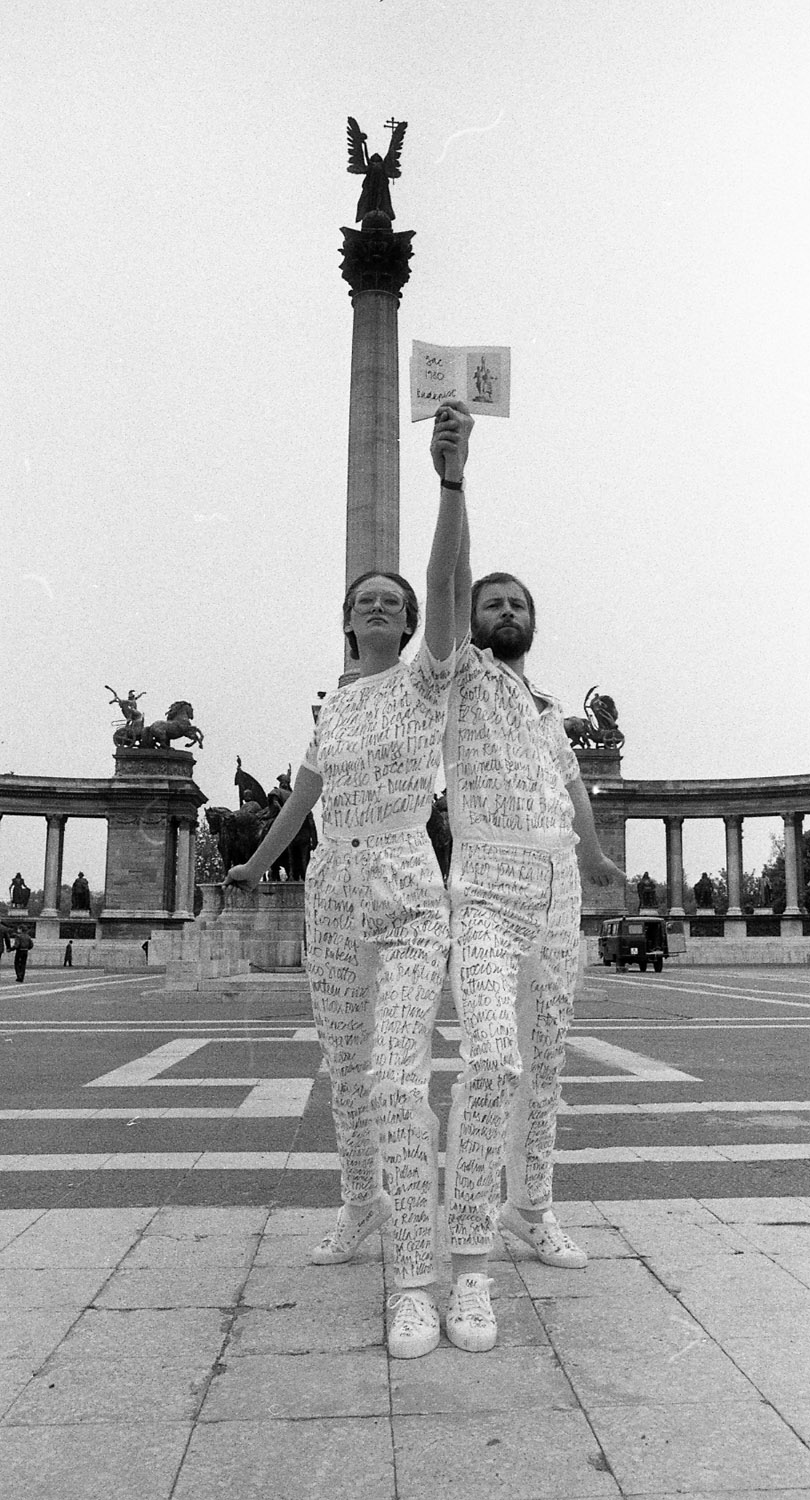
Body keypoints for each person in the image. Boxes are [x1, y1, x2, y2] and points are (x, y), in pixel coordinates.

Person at [224, 403, 472, 1361]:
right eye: (364, 600)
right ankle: (357, 1207)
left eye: (392, 602)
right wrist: (252, 864)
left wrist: (449, 479)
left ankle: (416, 1276)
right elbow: (300, 801)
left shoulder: (425, 681)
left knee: (400, 1075)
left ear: (410, 623)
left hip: (409, 883)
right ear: (348, 620)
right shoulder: (336, 709)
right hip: (331, 885)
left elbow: (450, 587)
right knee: (346, 1065)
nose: (378, 607)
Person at [441, 557, 625, 1353]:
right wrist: (454, 481)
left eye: (517, 603)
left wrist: (593, 857)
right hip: (486, 881)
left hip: (557, 888)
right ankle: (468, 1261)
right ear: (473, 617)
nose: (505, 611)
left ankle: (532, 1208)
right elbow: (446, 580)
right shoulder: (459, 679)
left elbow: (574, 787)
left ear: (532, 621)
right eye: (492, 602)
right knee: (492, 1062)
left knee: (545, 1068)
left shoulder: (550, 708)